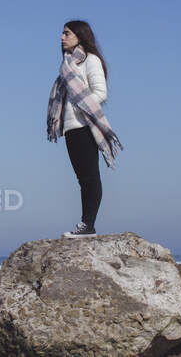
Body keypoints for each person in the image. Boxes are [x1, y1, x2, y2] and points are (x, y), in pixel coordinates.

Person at [46, 20, 123, 239]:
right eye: (62, 33)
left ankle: (88, 225)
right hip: (70, 128)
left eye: (66, 33)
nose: (62, 37)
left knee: (90, 177)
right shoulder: (67, 64)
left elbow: (101, 92)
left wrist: (82, 108)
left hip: (85, 125)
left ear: (80, 35)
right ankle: (85, 224)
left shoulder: (91, 61)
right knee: (82, 179)